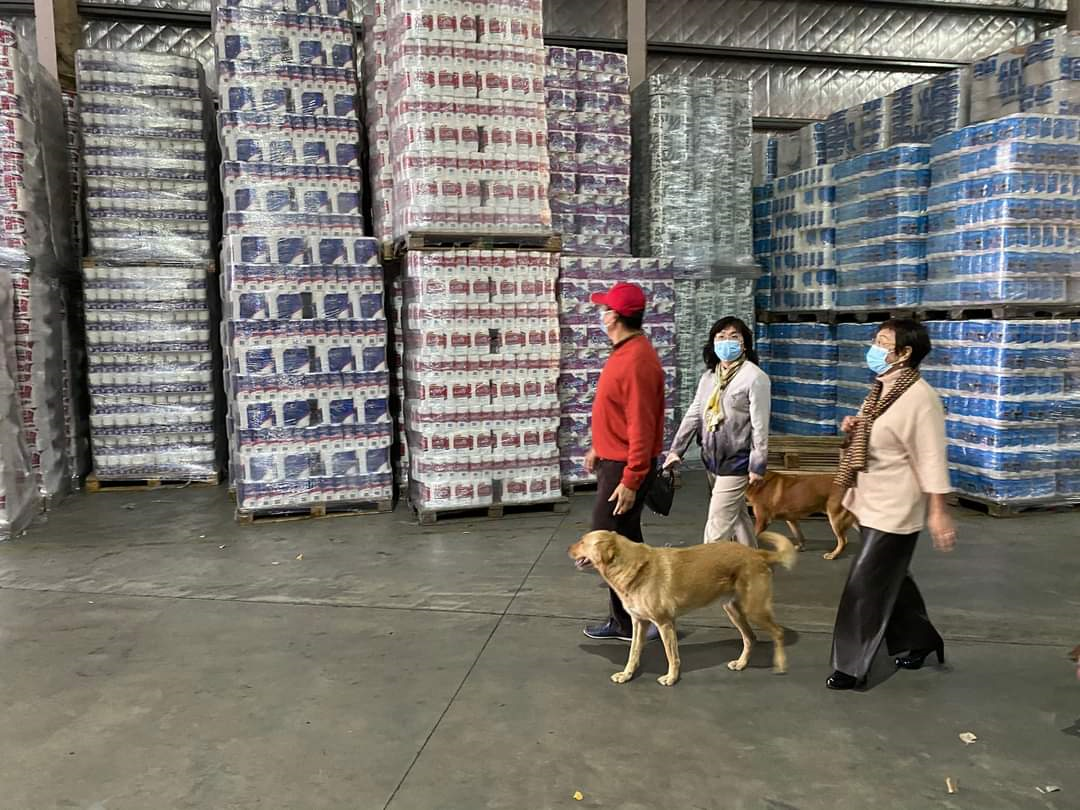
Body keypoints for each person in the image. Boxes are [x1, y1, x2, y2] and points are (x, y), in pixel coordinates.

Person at [826, 318, 957, 691]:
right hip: (870, 499)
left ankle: (850, 665)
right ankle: (921, 639)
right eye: (876, 339)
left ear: (904, 353)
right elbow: (880, 433)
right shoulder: (881, 390)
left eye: (882, 342)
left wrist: (938, 511)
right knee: (890, 577)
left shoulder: (920, 398)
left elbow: (931, 457)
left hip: (896, 507)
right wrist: (855, 426)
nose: (874, 347)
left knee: (864, 583)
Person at [582, 281, 666, 642]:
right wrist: (599, 446)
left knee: (605, 543)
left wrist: (632, 479)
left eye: (604, 309)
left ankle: (630, 622)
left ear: (614, 316)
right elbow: (617, 412)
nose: (601, 314)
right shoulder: (625, 352)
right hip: (614, 460)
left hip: (624, 468)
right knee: (626, 542)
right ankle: (637, 618)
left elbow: (642, 426)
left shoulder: (636, 361)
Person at [663, 317, 770, 547]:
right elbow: (694, 414)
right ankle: (753, 561)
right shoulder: (709, 378)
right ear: (713, 343)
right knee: (738, 517)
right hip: (712, 460)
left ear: (745, 344)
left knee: (717, 526)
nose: (726, 342)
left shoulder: (755, 378)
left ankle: (707, 566)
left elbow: (760, 426)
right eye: (721, 337)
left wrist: (757, 465)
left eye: (734, 337)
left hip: (737, 461)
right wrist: (676, 450)